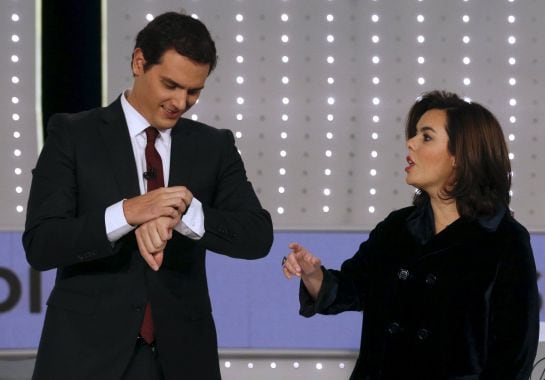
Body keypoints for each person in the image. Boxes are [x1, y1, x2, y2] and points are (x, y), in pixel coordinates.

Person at [23, 11, 273, 380]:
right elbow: (42, 244)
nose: (181, 101)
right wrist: (127, 213)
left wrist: (184, 212)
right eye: (170, 84)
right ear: (139, 62)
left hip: (182, 360)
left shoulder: (213, 146)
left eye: (194, 91)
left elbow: (257, 236)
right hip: (84, 357)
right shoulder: (73, 135)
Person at [282, 90, 539, 379]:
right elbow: (352, 288)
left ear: (460, 155)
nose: (411, 144)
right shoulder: (396, 228)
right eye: (414, 134)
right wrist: (313, 275)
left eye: (426, 137)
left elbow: (514, 355)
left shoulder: (504, 240)